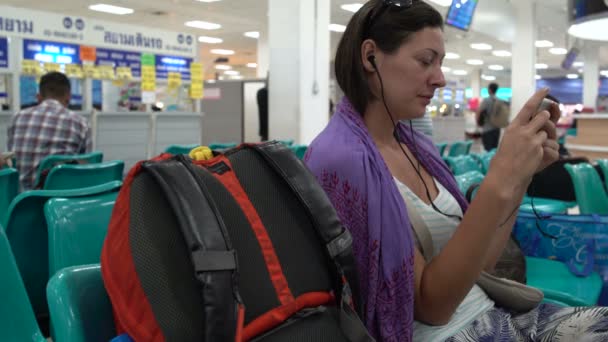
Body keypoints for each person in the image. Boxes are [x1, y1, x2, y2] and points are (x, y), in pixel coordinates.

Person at [304, 1, 608, 341]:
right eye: (425, 60)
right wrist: (498, 179)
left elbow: (482, 266)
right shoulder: (341, 161)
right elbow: (432, 309)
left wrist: (520, 175)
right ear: (370, 56)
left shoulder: (417, 147)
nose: (440, 78)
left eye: (441, 62)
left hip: (491, 313)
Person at [7, 72, 92, 190]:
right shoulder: (81, 123)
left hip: (19, 203)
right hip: (60, 203)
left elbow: (12, 159)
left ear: (38, 97)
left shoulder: (17, 118)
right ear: (68, 97)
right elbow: (86, 168)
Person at [476, 82, 502, 151]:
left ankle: (488, 162)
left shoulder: (486, 100)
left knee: (488, 149)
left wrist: (478, 123)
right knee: (494, 150)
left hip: (487, 129)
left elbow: (479, 112)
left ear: (490, 90)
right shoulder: (499, 101)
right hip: (497, 129)